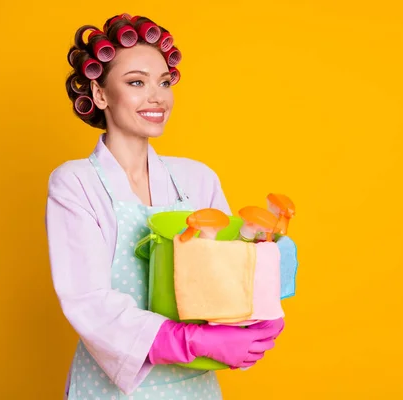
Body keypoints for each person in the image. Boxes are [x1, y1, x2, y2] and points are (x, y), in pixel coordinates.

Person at [45, 13, 285, 400]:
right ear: (101, 94)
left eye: (164, 82)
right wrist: (189, 341)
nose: (157, 96)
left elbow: (227, 278)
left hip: (195, 384)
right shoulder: (76, 182)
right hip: (116, 386)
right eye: (136, 82)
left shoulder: (197, 178)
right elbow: (88, 300)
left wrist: (261, 302)